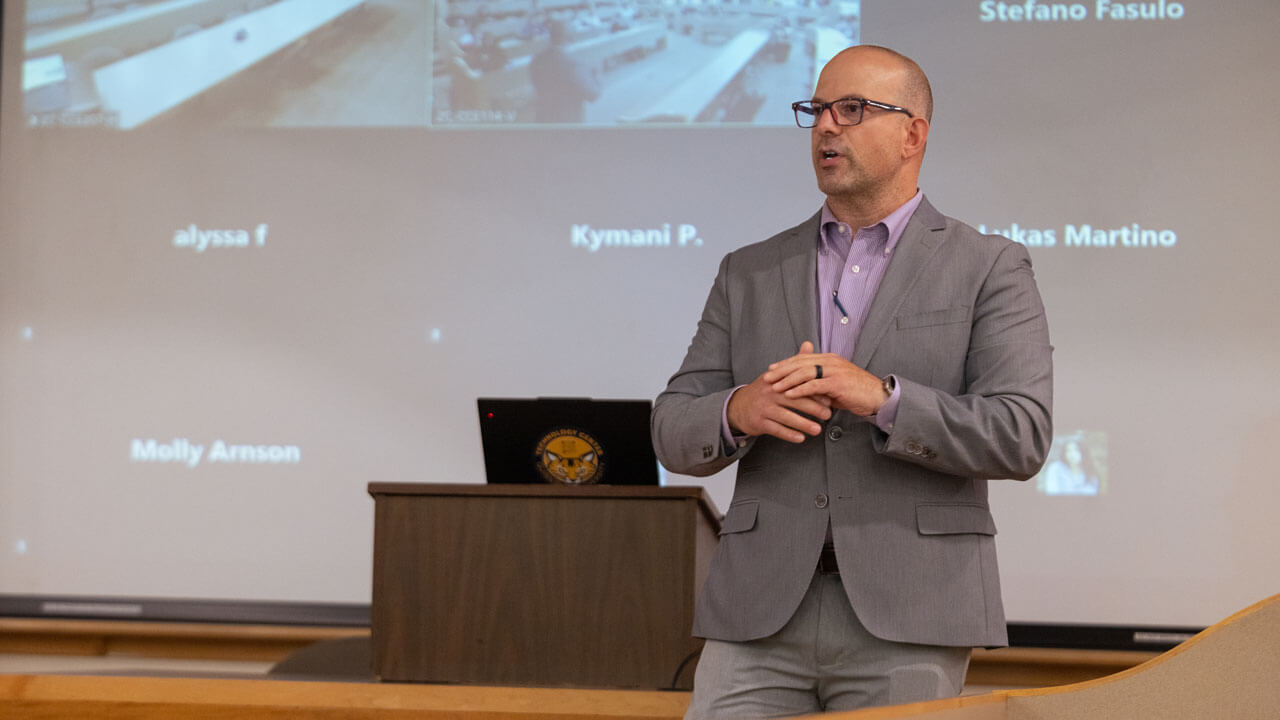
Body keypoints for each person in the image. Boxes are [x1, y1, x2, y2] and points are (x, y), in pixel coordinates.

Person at [651, 45, 1054, 717]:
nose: (826, 127)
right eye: (816, 110)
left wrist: (884, 399)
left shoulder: (989, 266)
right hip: (757, 609)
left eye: (852, 110)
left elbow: (1021, 433)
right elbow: (672, 425)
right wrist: (739, 410)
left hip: (911, 610)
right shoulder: (749, 269)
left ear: (912, 134)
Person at [529, 20, 600, 123]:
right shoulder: (572, 65)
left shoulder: (536, 60)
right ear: (569, 38)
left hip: (543, 121)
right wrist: (597, 74)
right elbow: (593, 94)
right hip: (568, 123)